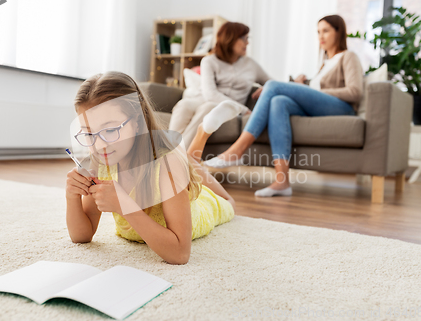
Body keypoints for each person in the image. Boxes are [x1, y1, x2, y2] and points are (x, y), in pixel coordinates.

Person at [65, 71, 235, 265]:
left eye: (111, 130)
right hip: (171, 175)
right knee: (182, 161)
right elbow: (82, 236)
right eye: (88, 134)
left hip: (199, 207)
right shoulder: (100, 160)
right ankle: (188, 155)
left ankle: (202, 133)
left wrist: (125, 205)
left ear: (138, 122)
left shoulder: (167, 167)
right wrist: (72, 197)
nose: (99, 145)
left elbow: (180, 254)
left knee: (229, 202)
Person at [204, 15, 364, 197]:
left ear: (339, 32)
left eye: (326, 31)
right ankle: (282, 181)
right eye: (318, 32)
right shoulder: (324, 64)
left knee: (271, 86)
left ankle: (238, 149)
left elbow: (355, 91)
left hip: (341, 107)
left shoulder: (348, 57)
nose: (321, 36)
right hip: (320, 106)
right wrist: (304, 85)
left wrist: (315, 92)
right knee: (277, 102)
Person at [168, 21, 272, 148]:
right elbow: (210, 94)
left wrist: (267, 88)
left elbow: (273, 83)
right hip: (203, 99)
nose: (247, 42)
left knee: (208, 108)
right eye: (243, 38)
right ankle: (169, 154)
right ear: (230, 39)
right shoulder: (209, 61)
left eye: (247, 38)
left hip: (230, 107)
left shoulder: (251, 65)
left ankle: (177, 158)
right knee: (183, 104)